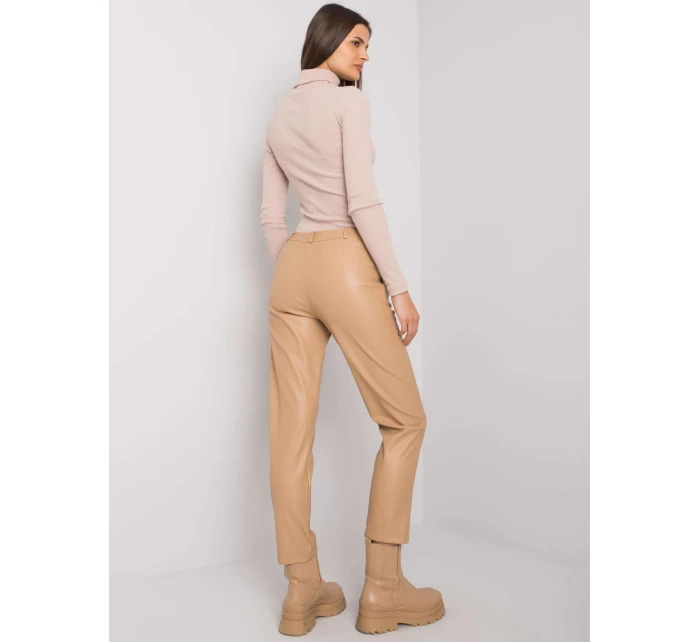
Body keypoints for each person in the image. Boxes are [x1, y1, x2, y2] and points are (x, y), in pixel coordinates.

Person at [259, 3, 445, 636]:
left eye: (368, 46)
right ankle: (385, 590)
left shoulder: (279, 114)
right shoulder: (346, 103)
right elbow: (362, 200)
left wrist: (298, 267)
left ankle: (302, 590)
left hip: (292, 270)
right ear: (328, 41)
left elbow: (271, 217)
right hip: (343, 259)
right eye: (357, 43)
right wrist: (399, 288)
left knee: (290, 437)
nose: (365, 56)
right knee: (404, 421)